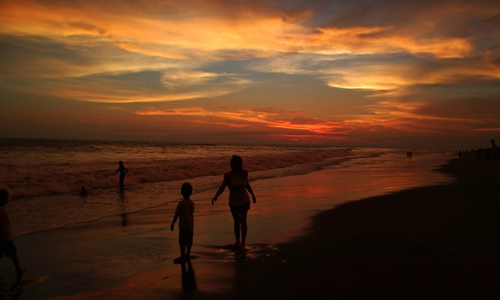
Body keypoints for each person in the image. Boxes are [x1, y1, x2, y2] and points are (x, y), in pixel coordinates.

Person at [212, 155, 256, 250]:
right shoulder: (228, 176)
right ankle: (237, 241)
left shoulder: (244, 173)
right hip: (233, 202)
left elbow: (247, 185)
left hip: (244, 201)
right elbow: (222, 187)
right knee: (236, 222)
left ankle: (243, 243)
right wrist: (216, 196)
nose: (236, 165)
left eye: (237, 163)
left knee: (243, 222)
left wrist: (253, 194)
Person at [0, 189, 25, 278]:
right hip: (4, 237)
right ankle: (18, 269)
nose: (7, 200)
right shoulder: (0, 210)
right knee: (13, 254)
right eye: (5, 198)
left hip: (5, 236)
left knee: (12, 254)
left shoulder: (2, 209)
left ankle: (18, 268)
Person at [170, 182, 195, 264]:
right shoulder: (191, 203)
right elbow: (191, 214)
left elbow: (177, 214)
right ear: (191, 192)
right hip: (190, 224)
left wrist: (173, 223)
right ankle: (187, 254)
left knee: (182, 241)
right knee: (189, 240)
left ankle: (182, 256)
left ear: (181, 192)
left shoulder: (181, 203)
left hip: (183, 225)